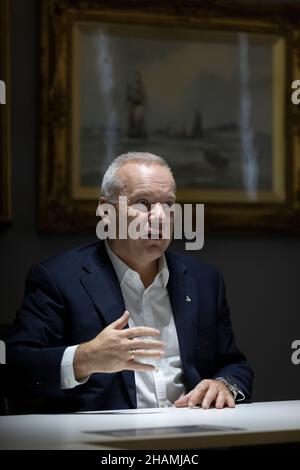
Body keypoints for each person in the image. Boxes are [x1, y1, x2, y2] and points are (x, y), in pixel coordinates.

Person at [6, 152, 252, 412]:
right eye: (143, 203)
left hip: (191, 434)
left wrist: (224, 384)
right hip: (102, 442)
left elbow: (234, 364)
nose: (159, 217)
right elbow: (15, 367)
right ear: (106, 212)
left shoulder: (204, 280)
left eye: (168, 204)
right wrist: (85, 358)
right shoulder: (57, 279)